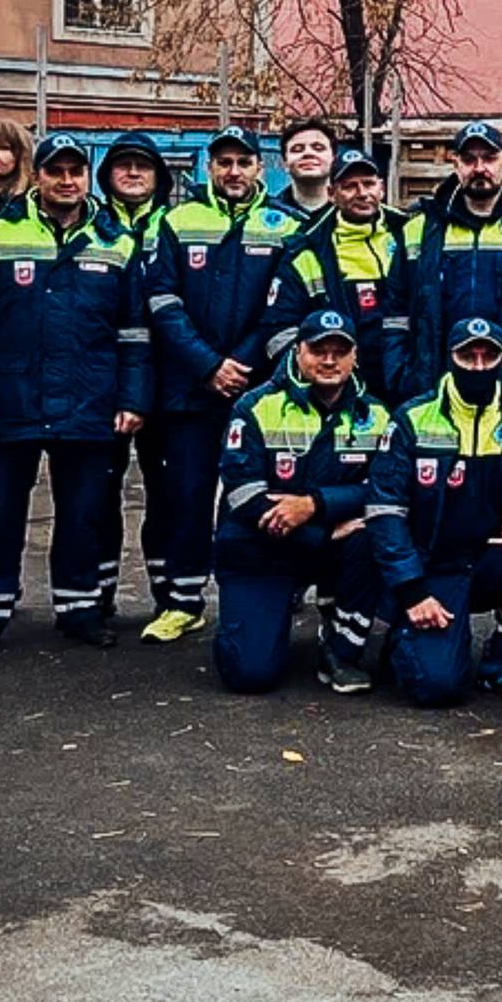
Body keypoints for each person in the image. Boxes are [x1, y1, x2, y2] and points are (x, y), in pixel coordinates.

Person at [0, 131, 151, 657]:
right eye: (54, 170)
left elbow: (134, 332)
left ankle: (80, 609)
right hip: (8, 400)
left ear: (87, 176)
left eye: (74, 171)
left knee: (84, 513)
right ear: (36, 176)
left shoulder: (116, 240)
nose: (65, 180)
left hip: (91, 400)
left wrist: (132, 399)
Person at [141, 126, 303, 642]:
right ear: (209, 168)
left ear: (261, 168)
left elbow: (283, 307)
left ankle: (270, 595)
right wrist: (208, 364)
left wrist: (242, 364)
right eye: (224, 162)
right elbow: (162, 300)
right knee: (185, 495)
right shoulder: (178, 219)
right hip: (191, 387)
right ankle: (181, 601)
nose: (234, 171)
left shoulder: (286, 225)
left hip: (259, 390)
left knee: (265, 492)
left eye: (244, 162)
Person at [370, 318, 502, 706]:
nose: (478, 366)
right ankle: (402, 634)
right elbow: (384, 511)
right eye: (468, 356)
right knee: (436, 688)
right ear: (450, 358)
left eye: (488, 356)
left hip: (496, 557)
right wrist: (411, 590)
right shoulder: (411, 420)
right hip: (434, 568)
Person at [211, 309, 393, 694]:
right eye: (318, 350)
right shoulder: (255, 406)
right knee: (250, 675)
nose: (329, 360)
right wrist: (321, 531)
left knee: (370, 534)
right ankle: (255, 621)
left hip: (335, 542)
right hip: (261, 548)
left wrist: (313, 504)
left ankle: (341, 651)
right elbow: (244, 495)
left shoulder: (376, 415)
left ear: (355, 356)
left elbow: (384, 489)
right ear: (297, 352)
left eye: (340, 351)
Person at [390, 120, 502, 403]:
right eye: (469, 159)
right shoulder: (419, 229)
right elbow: (395, 315)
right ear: (455, 163)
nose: (480, 168)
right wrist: (405, 379)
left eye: (490, 158)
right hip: (434, 388)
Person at [94, 133, 177, 629]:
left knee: (166, 494)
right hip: (103, 381)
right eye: (122, 166)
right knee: (99, 494)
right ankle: (98, 594)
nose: (132, 174)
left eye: (142, 167)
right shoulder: (90, 225)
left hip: (168, 380)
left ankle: (168, 595)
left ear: (159, 178)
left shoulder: (176, 225)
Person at [268, 147, 407, 402]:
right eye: (350, 186)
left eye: (368, 184)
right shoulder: (306, 248)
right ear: (332, 193)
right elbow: (279, 329)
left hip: (405, 384)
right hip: (335, 390)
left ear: (382, 188)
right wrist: (319, 379)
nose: (362, 193)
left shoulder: (410, 234)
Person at [274, 117, 339, 224]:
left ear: (333, 158)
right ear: (284, 163)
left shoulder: (350, 213)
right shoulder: (265, 214)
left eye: (318, 148)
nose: (308, 153)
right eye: (297, 149)